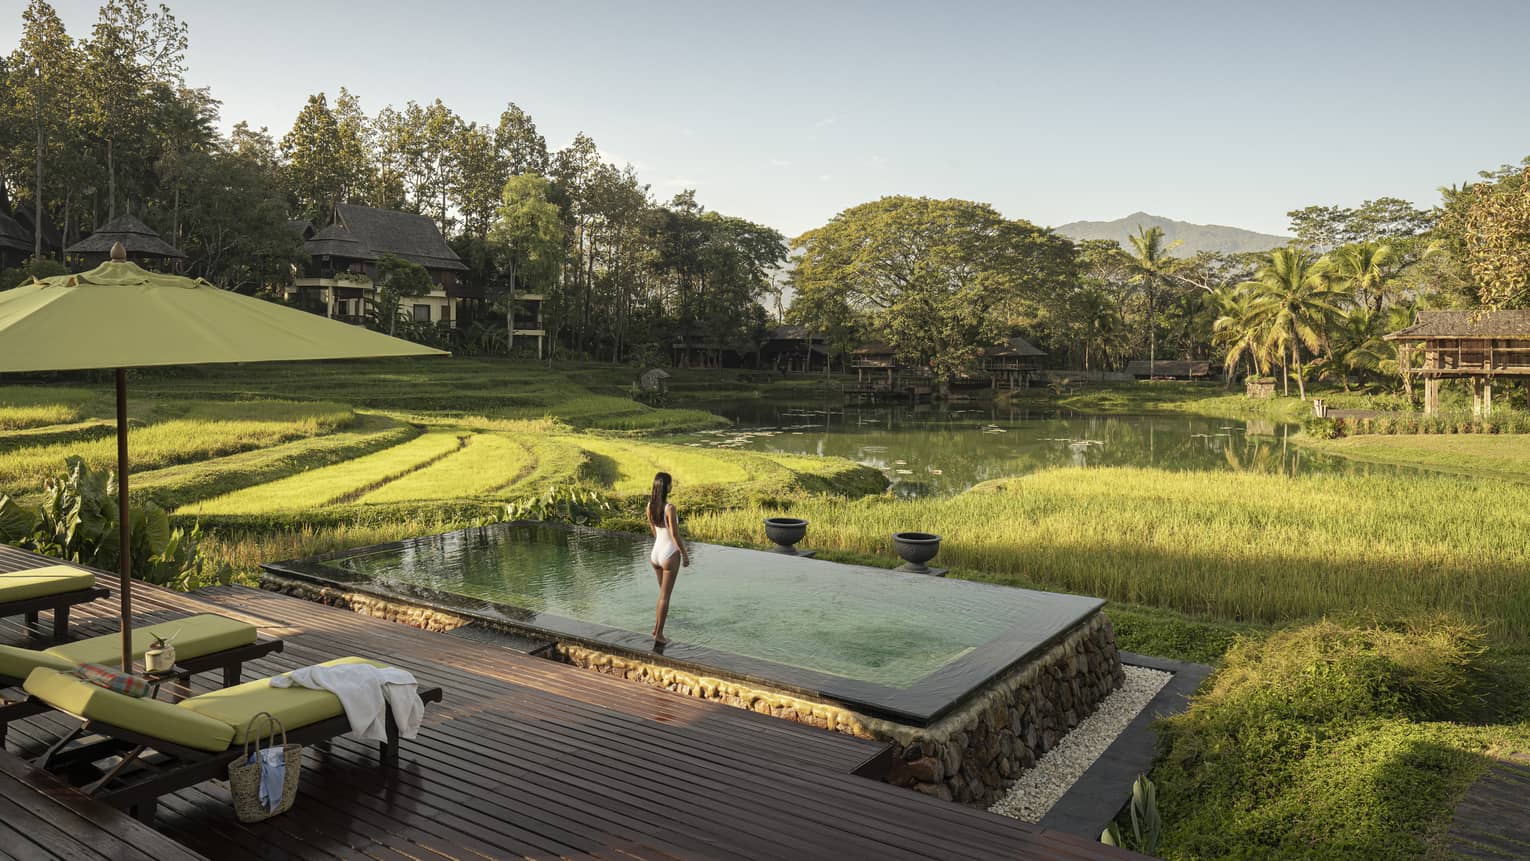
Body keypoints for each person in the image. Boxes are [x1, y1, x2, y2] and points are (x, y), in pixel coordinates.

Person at [646, 471, 689, 646]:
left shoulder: (650, 506)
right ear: (666, 486)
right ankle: (659, 634)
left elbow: (654, 530)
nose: (672, 486)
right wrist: (685, 554)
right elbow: (675, 535)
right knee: (665, 596)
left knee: (662, 594)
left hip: (656, 553)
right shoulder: (670, 508)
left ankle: (656, 629)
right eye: (671, 483)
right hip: (669, 553)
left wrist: (660, 544)